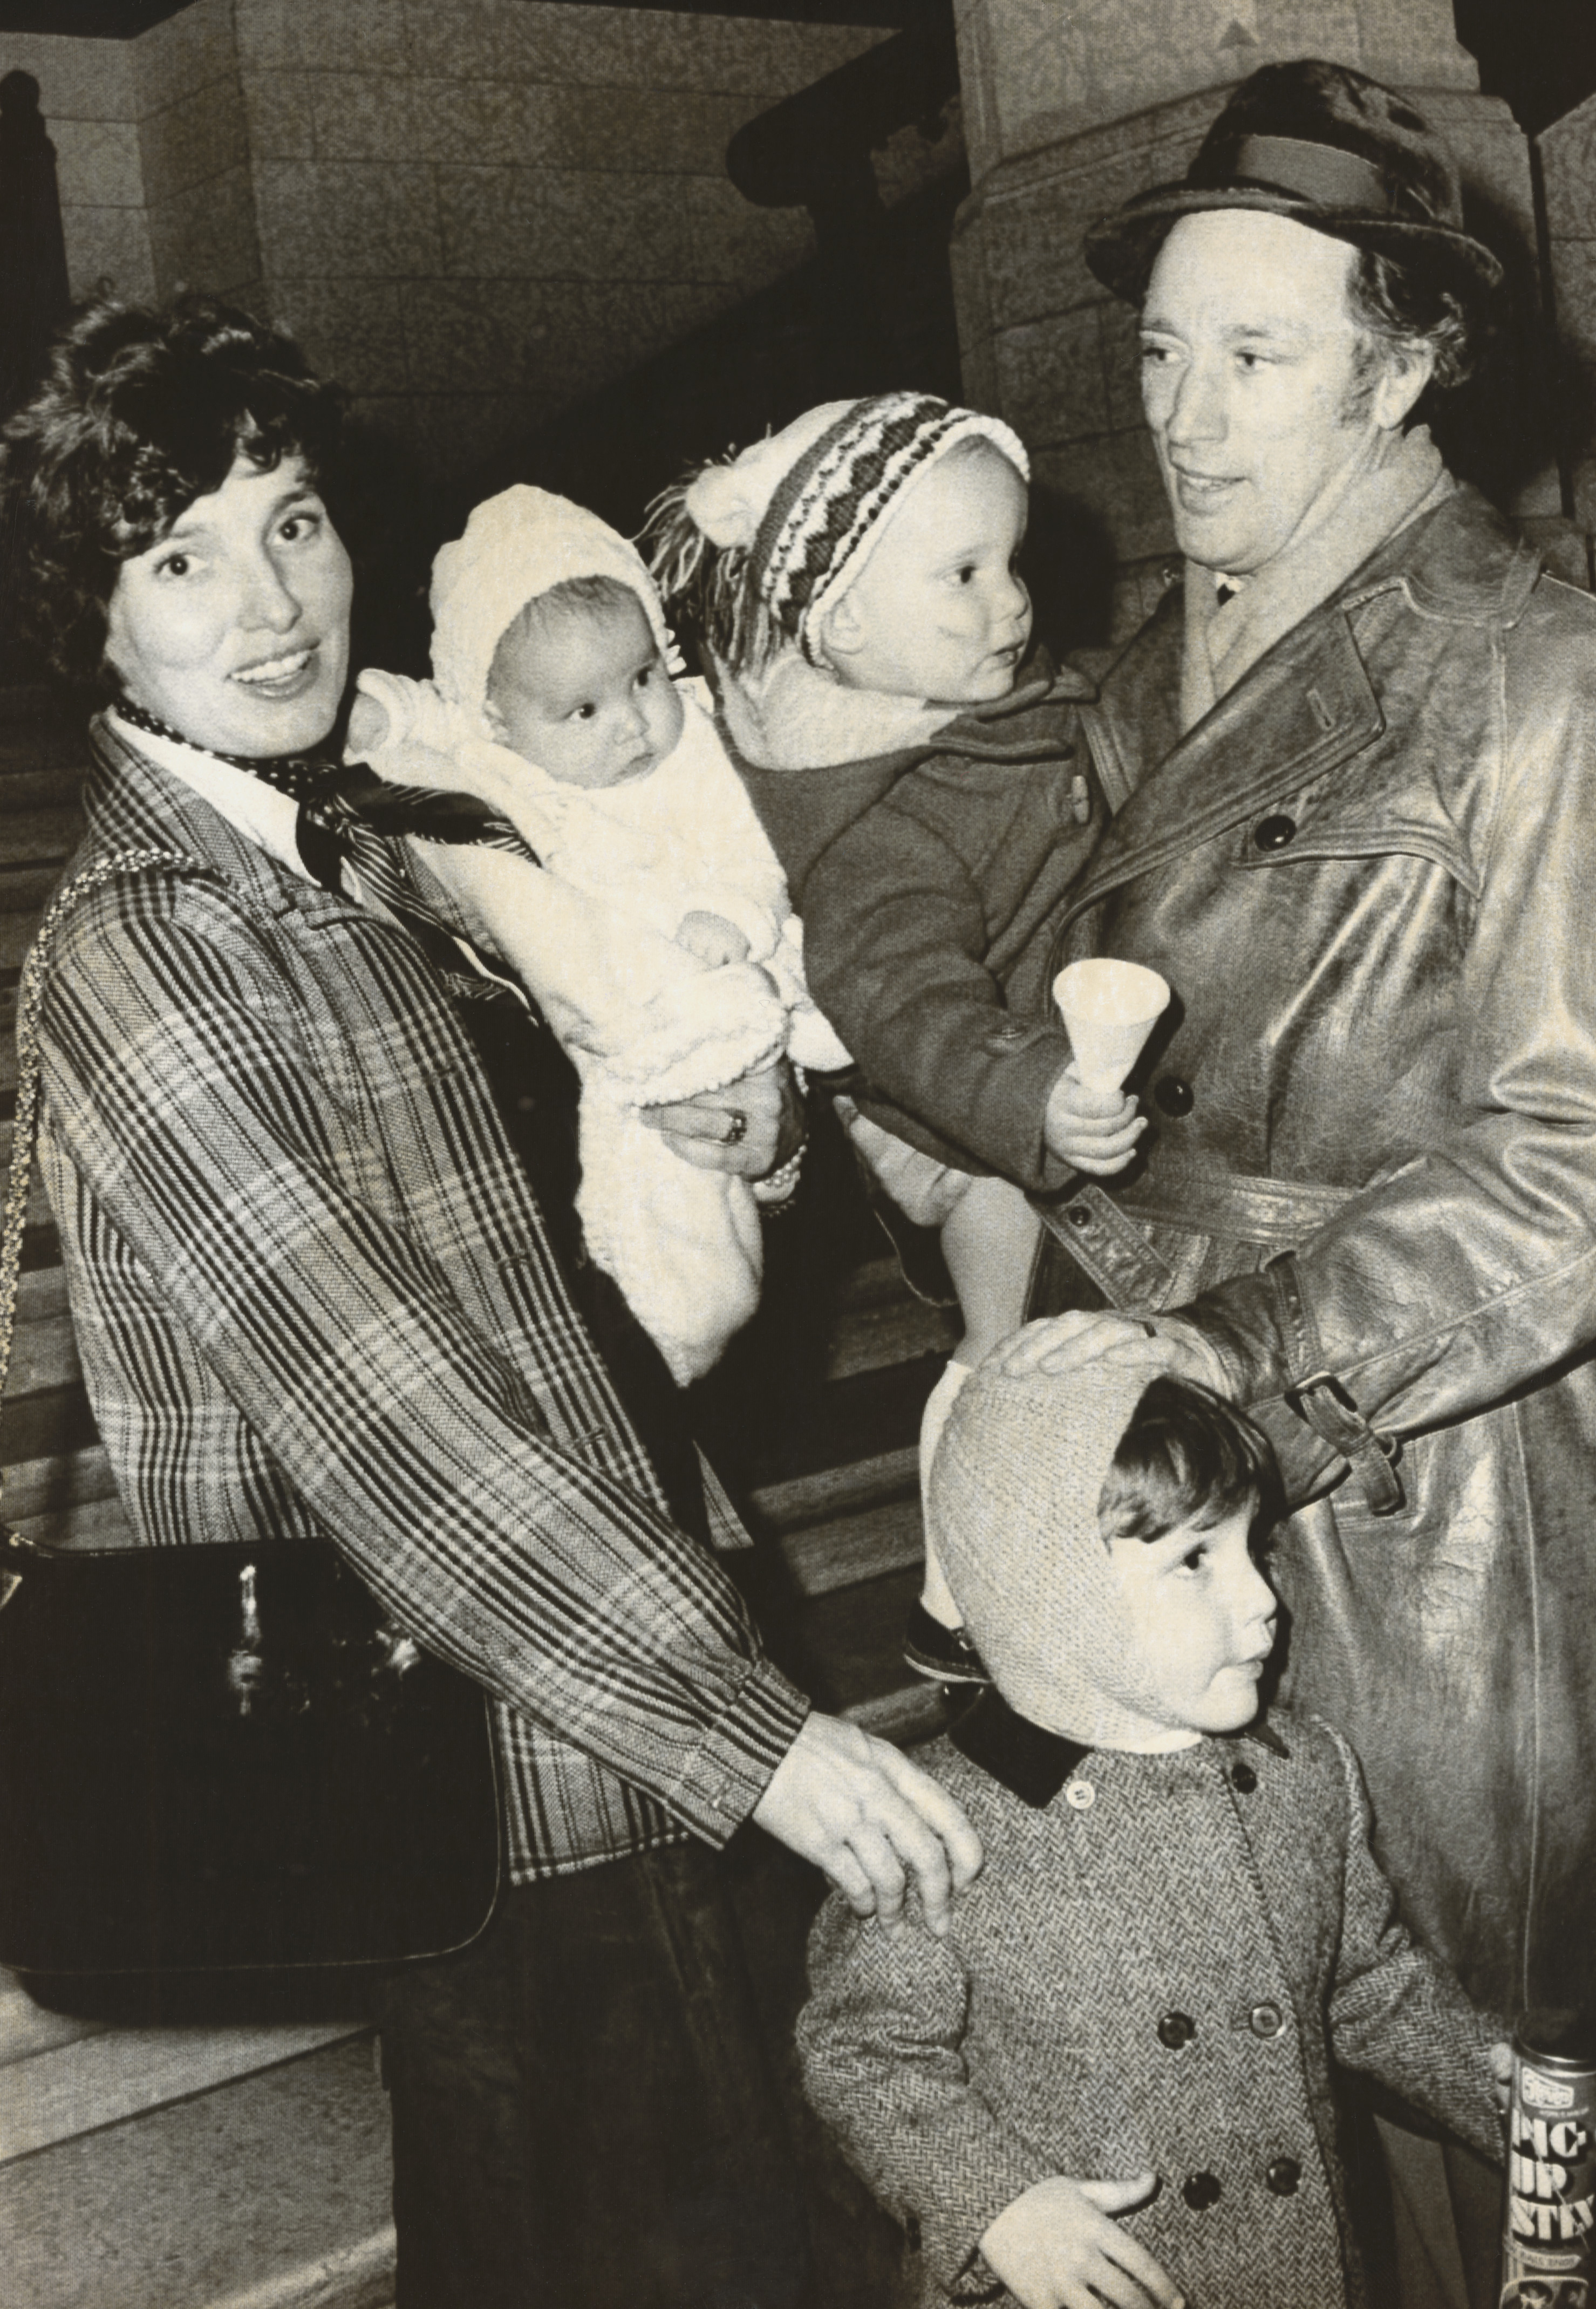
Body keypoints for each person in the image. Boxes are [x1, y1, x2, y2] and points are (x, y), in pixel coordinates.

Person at [2, 291, 982, 2309]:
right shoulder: (159, 944)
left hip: (583, 1709)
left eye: (286, 521)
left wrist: (756, 1145)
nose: (266, 602)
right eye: (173, 557)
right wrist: (754, 1735)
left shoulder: (334, 846)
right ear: (86, 622)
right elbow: (392, 1425)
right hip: (498, 1768)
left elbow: (561, 1236)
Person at [1002, 55, 1596, 2300]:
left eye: (1252, 353)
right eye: (1158, 347)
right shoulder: (1156, 663)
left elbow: (1566, 1156)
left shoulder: (1527, 676)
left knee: (1453, 2119)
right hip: (1183, 1457)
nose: (1182, 407)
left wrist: (1229, 1367)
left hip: (1415, 1512)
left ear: (1410, 355)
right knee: (1238, 2111)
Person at [797, 1360, 1508, 2309]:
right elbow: (862, 2054)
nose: (1263, 1600)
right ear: (1049, 1587)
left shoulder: (1305, 1773)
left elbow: (1362, 1986)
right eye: (1193, 1560)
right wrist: (999, 2205)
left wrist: (1509, 2091)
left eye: (1251, 1547)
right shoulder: (939, 1823)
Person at [647, 393, 1145, 1681]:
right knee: (1009, 1345)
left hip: (1028, 1075)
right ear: (846, 623)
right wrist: (1029, 1095)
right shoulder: (880, 815)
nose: (1012, 601)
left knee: (1054, 1345)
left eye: (1014, 562)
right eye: (965, 575)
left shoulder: (989, 710)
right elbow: (903, 1002)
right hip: (981, 1117)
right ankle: (956, 1598)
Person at [344, 481, 849, 1388]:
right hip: (612, 1021)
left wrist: (730, 917)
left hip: (717, 970)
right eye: (583, 711)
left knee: (700, 1148)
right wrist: (375, 713)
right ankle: (677, 1313)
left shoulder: (694, 749)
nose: (631, 724)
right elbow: (416, 712)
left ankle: (694, 1312)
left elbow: (754, 854)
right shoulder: (481, 756)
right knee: (645, 1162)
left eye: (643, 678)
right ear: (497, 717)